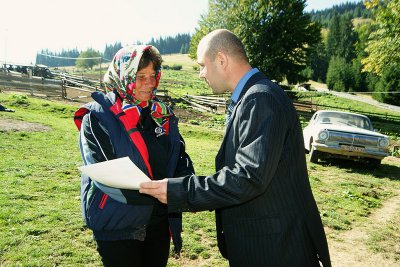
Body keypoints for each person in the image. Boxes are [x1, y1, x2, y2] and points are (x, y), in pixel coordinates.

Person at [139, 29, 331, 266]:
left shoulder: (260, 99)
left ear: (221, 60)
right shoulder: (254, 96)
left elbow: (248, 177)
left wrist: (180, 191)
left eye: (202, 65)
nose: (200, 74)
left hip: (274, 250)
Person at [73, 45, 194, 267]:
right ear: (123, 77)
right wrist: (161, 194)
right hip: (118, 223)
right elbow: (105, 171)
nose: (149, 83)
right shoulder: (98, 117)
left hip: (158, 222)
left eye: (152, 76)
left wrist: (185, 183)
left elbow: (178, 156)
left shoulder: (161, 115)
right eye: (140, 77)